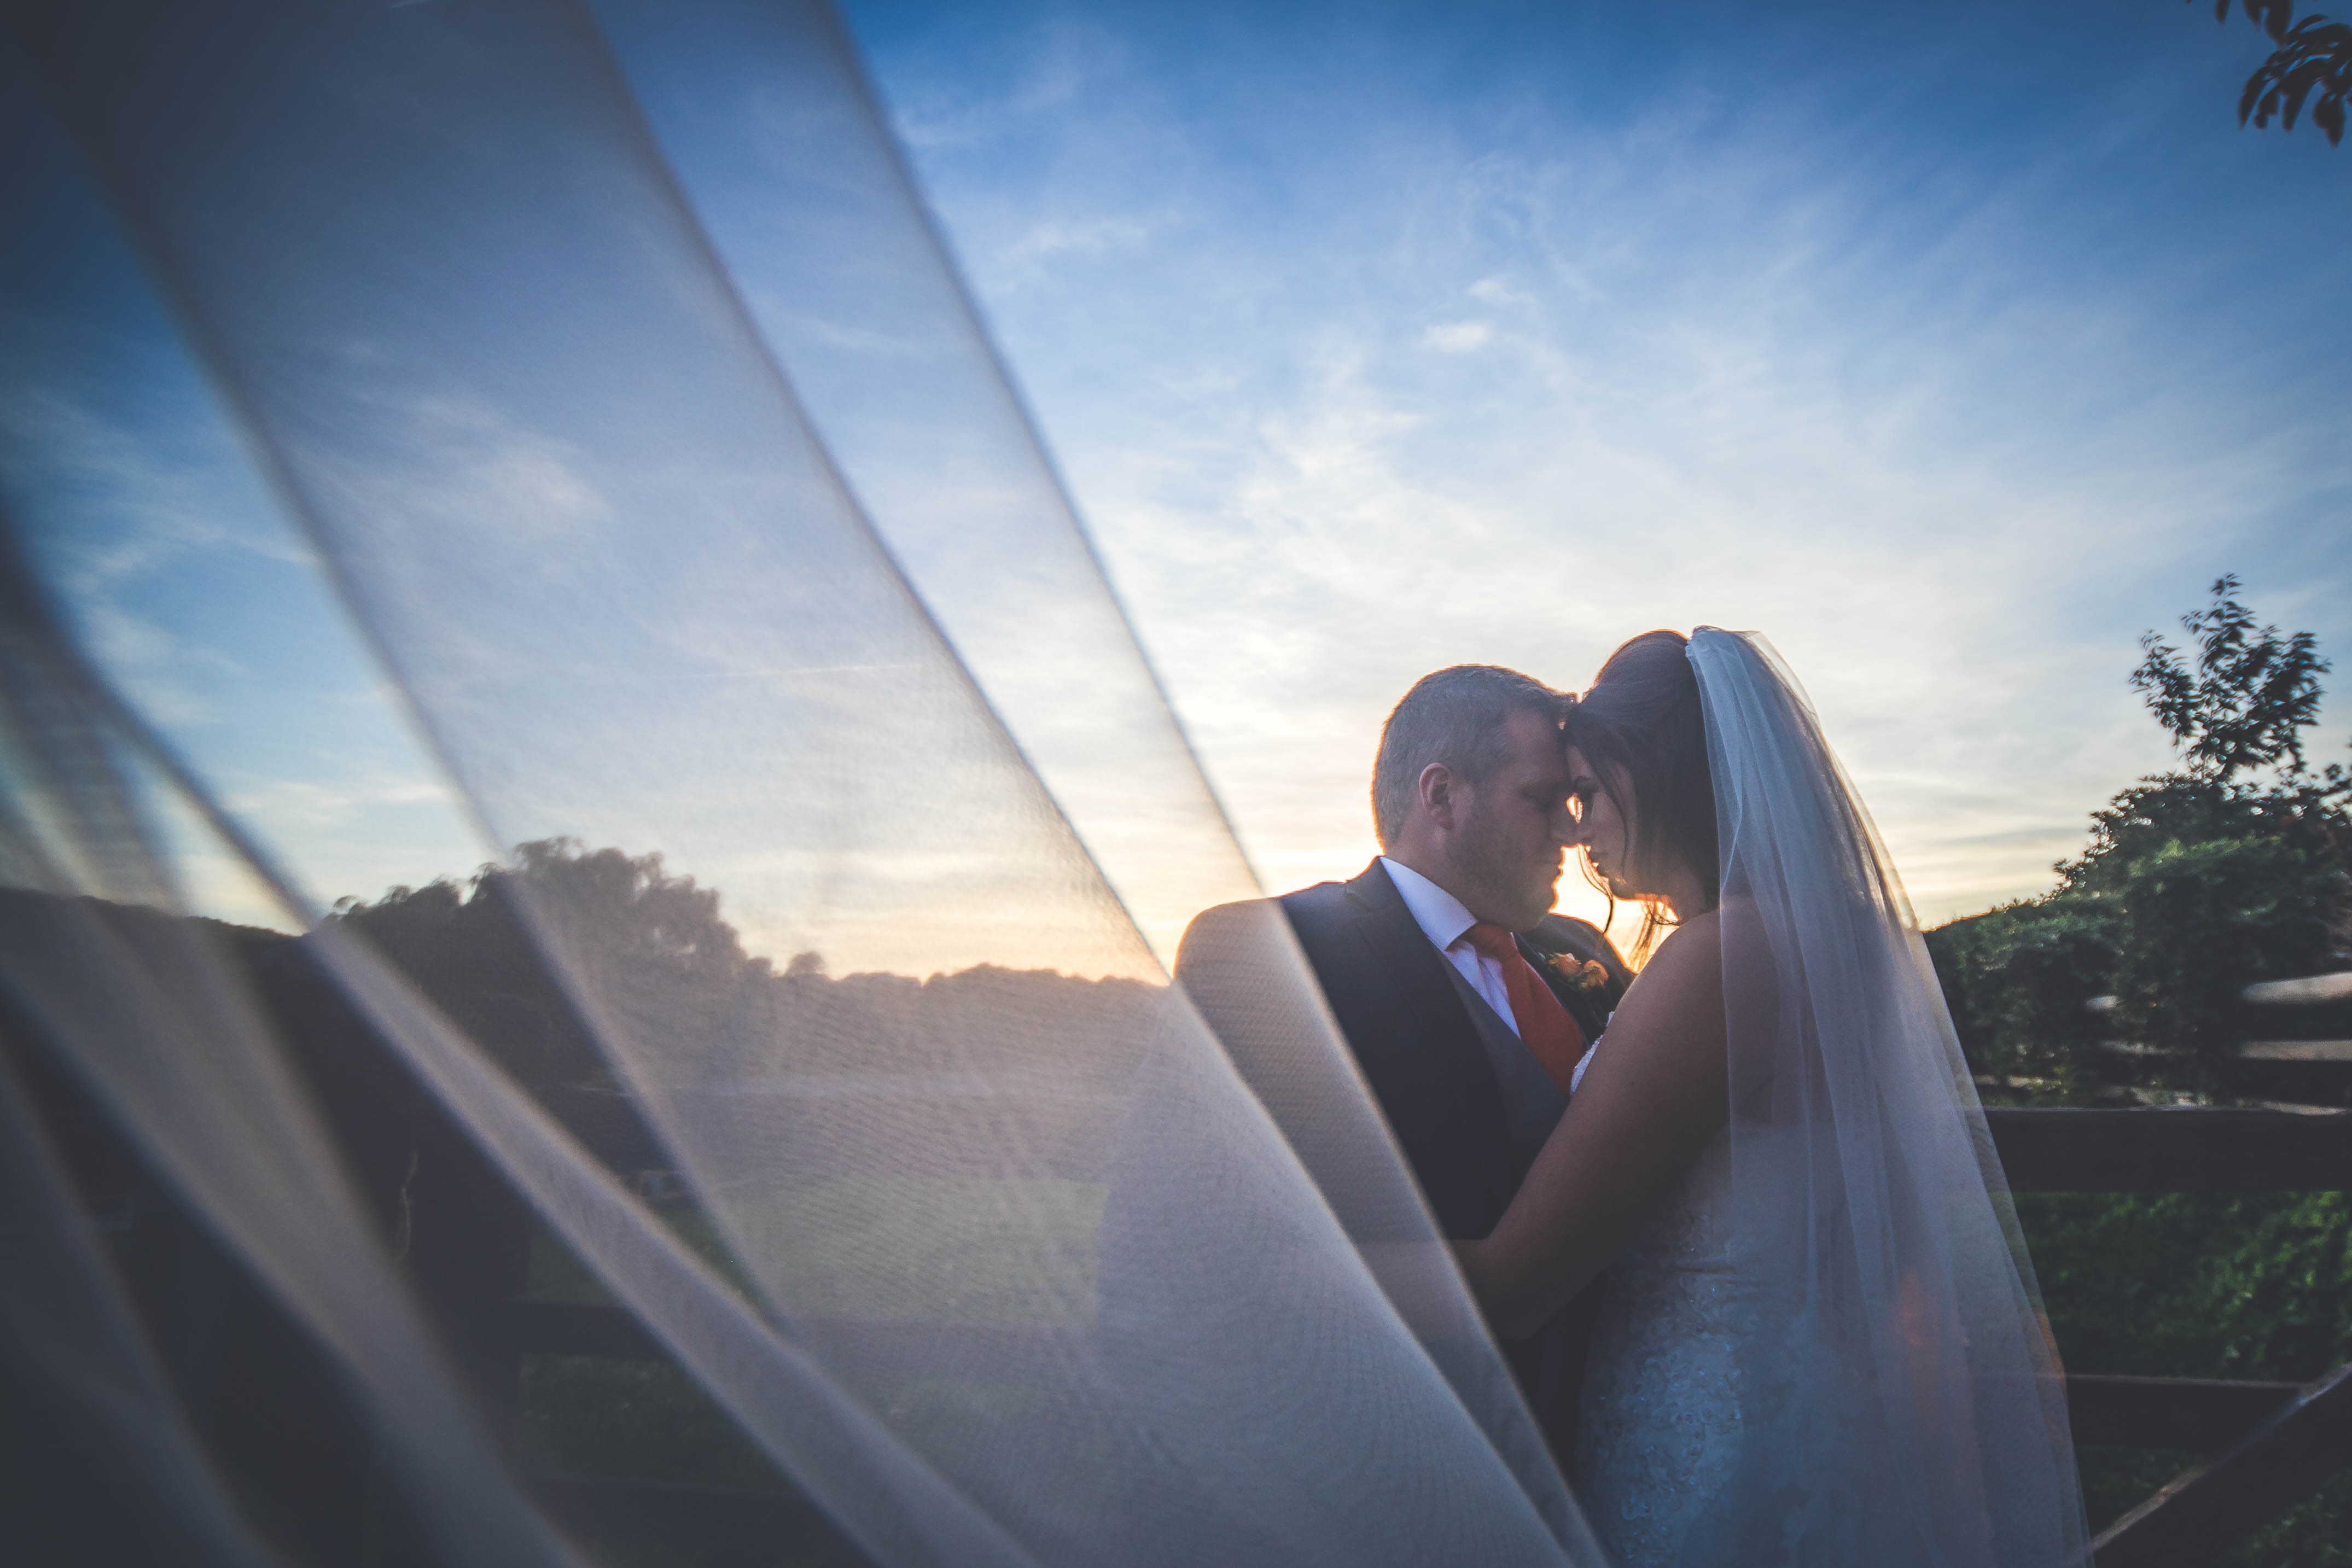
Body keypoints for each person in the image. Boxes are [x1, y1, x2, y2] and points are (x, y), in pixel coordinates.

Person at [1454, 629, 2088, 1568]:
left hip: (1710, 1447)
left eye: (1589, 792)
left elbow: (1515, 1285)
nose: (1576, 828)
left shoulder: (1720, 958)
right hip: (1821, 1424)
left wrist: (1285, 1263)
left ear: (1663, 777)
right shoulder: (1848, 944)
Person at [1179, 663, 1631, 1459]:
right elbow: (1210, 1259)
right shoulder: (1272, 953)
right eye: (1541, 801)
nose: (1571, 833)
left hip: (1620, 1446)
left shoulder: (1582, 951)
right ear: (1442, 797)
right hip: (1414, 1466)